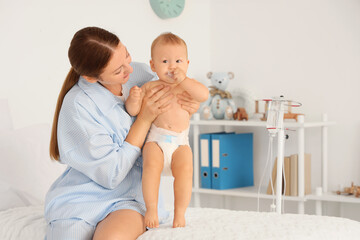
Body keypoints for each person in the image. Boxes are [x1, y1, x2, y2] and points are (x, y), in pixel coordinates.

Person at [45, 27, 200, 240]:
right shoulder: (78, 106)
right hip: (83, 197)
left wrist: (190, 105)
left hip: (129, 197)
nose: (129, 69)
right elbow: (112, 174)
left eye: (126, 54)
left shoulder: (141, 74)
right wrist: (144, 119)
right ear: (91, 77)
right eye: (118, 71)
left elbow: (174, 101)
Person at [125, 33, 209, 228]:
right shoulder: (150, 87)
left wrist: (184, 80)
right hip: (156, 140)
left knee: (186, 171)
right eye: (165, 61)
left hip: (180, 142)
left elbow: (203, 95)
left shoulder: (189, 86)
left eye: (178, 61)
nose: (172, 66)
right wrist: (135, 98)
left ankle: (179, 214)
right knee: (151, 168)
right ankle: (152, 209)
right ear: (153, 66)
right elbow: (134, 111)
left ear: (187, 63)